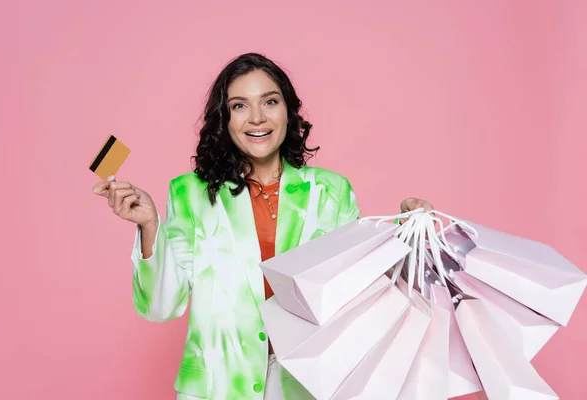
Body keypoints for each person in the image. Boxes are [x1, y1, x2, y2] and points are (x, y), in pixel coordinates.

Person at [92, 52, 433, 400]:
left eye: (270, 101)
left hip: (307, 386)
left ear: (288, 110)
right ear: (224, 118)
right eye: (239, 106)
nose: (257, 117)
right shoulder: (189, 193)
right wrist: (150, 226)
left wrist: (409, 234)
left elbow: (358, 294)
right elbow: (161, 307)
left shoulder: (331, 192)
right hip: (218, 388)